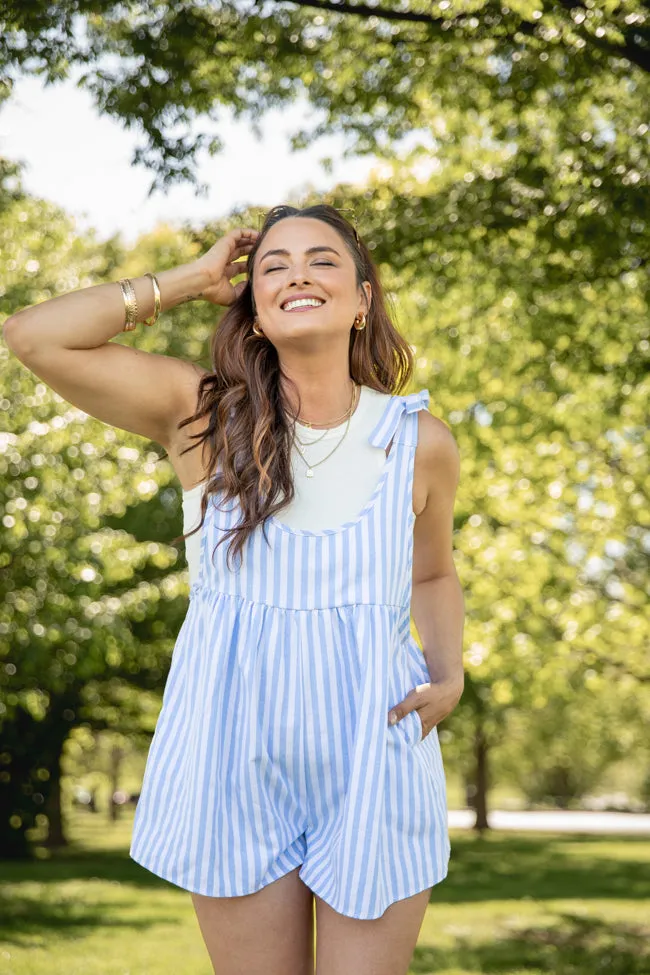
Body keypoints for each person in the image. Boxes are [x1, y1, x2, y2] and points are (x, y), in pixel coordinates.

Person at [4, 202, 465, 975]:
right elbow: (32, 334)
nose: (297, 275)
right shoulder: (203, 417)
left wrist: (449, 670)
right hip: (230, 751)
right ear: (252, 303)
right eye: (274, 266)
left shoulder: (420, 441)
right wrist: (189, 280)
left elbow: (432, 570)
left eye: (322, 260)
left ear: (363, 299)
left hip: (374, 747)